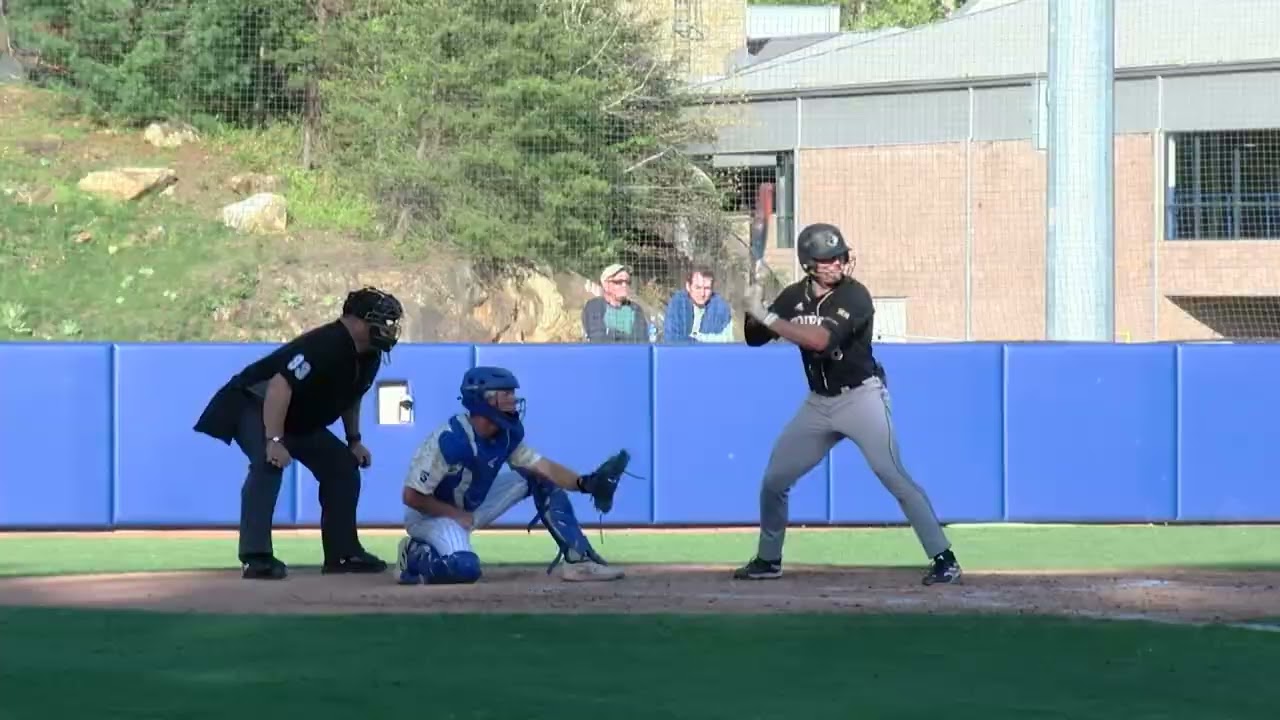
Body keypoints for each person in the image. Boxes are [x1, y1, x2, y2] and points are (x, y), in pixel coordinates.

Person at [733, 223, 962, 586]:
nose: (837, 263)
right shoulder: (794, 297)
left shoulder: (855, 296)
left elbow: (820, 341)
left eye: (840, 256)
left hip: (861, 397)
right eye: (828, 259)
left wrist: (769, 316)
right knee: (775, 480)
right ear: (809, 263)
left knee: (892, 475)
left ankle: (944, 557)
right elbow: (754, 338)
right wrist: (752, 303)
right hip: (818, 403)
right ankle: (768, 558)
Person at [193, 286, 404, 580]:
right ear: (354, 321)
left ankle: (342, 553)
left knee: (342, 467)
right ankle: (256, 557)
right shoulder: (326, 344)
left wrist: (353, 440)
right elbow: (280, 386)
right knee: (268, 463)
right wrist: (274, 440)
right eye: (379, 321)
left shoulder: (369, 355)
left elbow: (352, 396)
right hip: (253, 402)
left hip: (296, 416)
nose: (386, 329)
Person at [396, 366, 628, 584]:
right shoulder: (449, 440)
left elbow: (543, 466)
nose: (513, 401)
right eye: (506, 394)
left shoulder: (505, 435)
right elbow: (412, 496)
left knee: (538, 478)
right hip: (430, 516)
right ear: (483, 399)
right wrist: (454, 514)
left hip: (469, 507)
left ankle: (579, 561)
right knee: (464, 568)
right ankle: (414, 554)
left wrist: (583, 483)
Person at [663, 266, 735, 343]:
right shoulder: (677, 304)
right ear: (688, 286)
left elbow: (728, 339)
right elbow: (671, 337)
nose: (702, 294)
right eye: (698, 288)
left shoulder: (721, 307)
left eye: (707, 288)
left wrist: (699, 338)